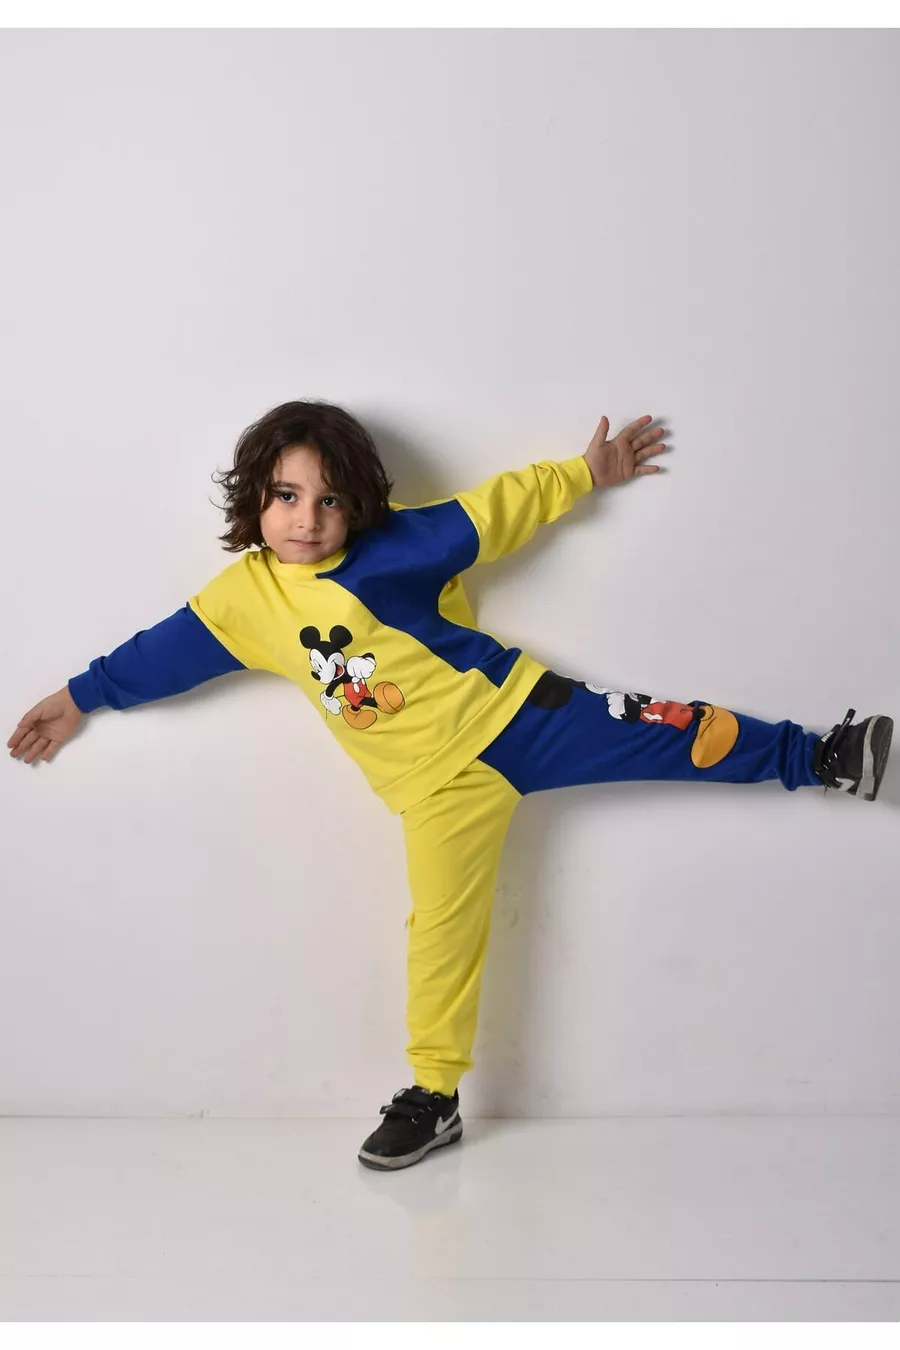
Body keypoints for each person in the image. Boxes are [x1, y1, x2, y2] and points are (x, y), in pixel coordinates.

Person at [7, 400, 893, 1173]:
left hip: (522, 715)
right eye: (286, 496)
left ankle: (823, 756)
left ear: (358, 505)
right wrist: (80, 695)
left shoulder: (399, 546)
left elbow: (490, 512)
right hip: (434, 793)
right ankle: (434, 1097)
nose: (307, 519)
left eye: (329, 500)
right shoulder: (245, 601)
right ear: (255, 501)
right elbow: (161, 653)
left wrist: (583, 473)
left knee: (667, 726)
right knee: (440, 936)